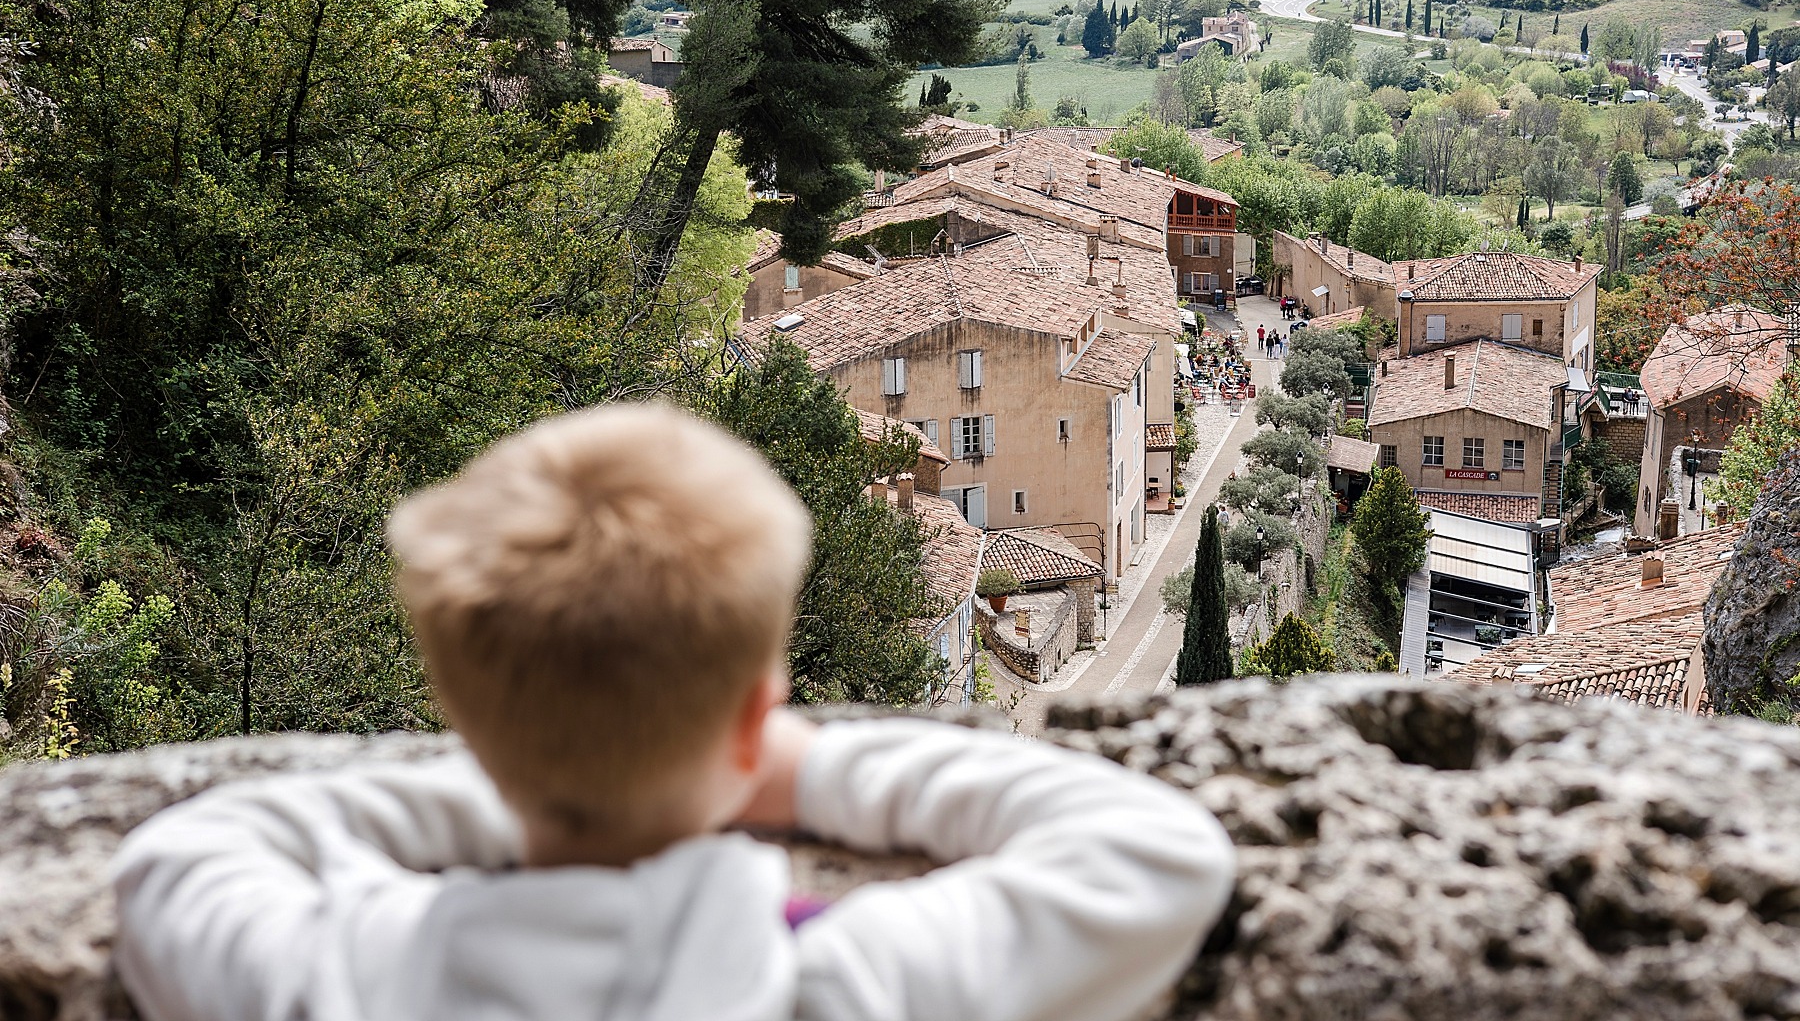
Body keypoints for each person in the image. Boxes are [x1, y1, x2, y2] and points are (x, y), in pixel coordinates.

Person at [110, 403, 1236, 1021]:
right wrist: (805, 770)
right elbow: (1157, 851)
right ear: (755, 723)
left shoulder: (343, 977)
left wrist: (537, 761)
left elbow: (180, 857)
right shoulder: (827, 988)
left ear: (462, 723)